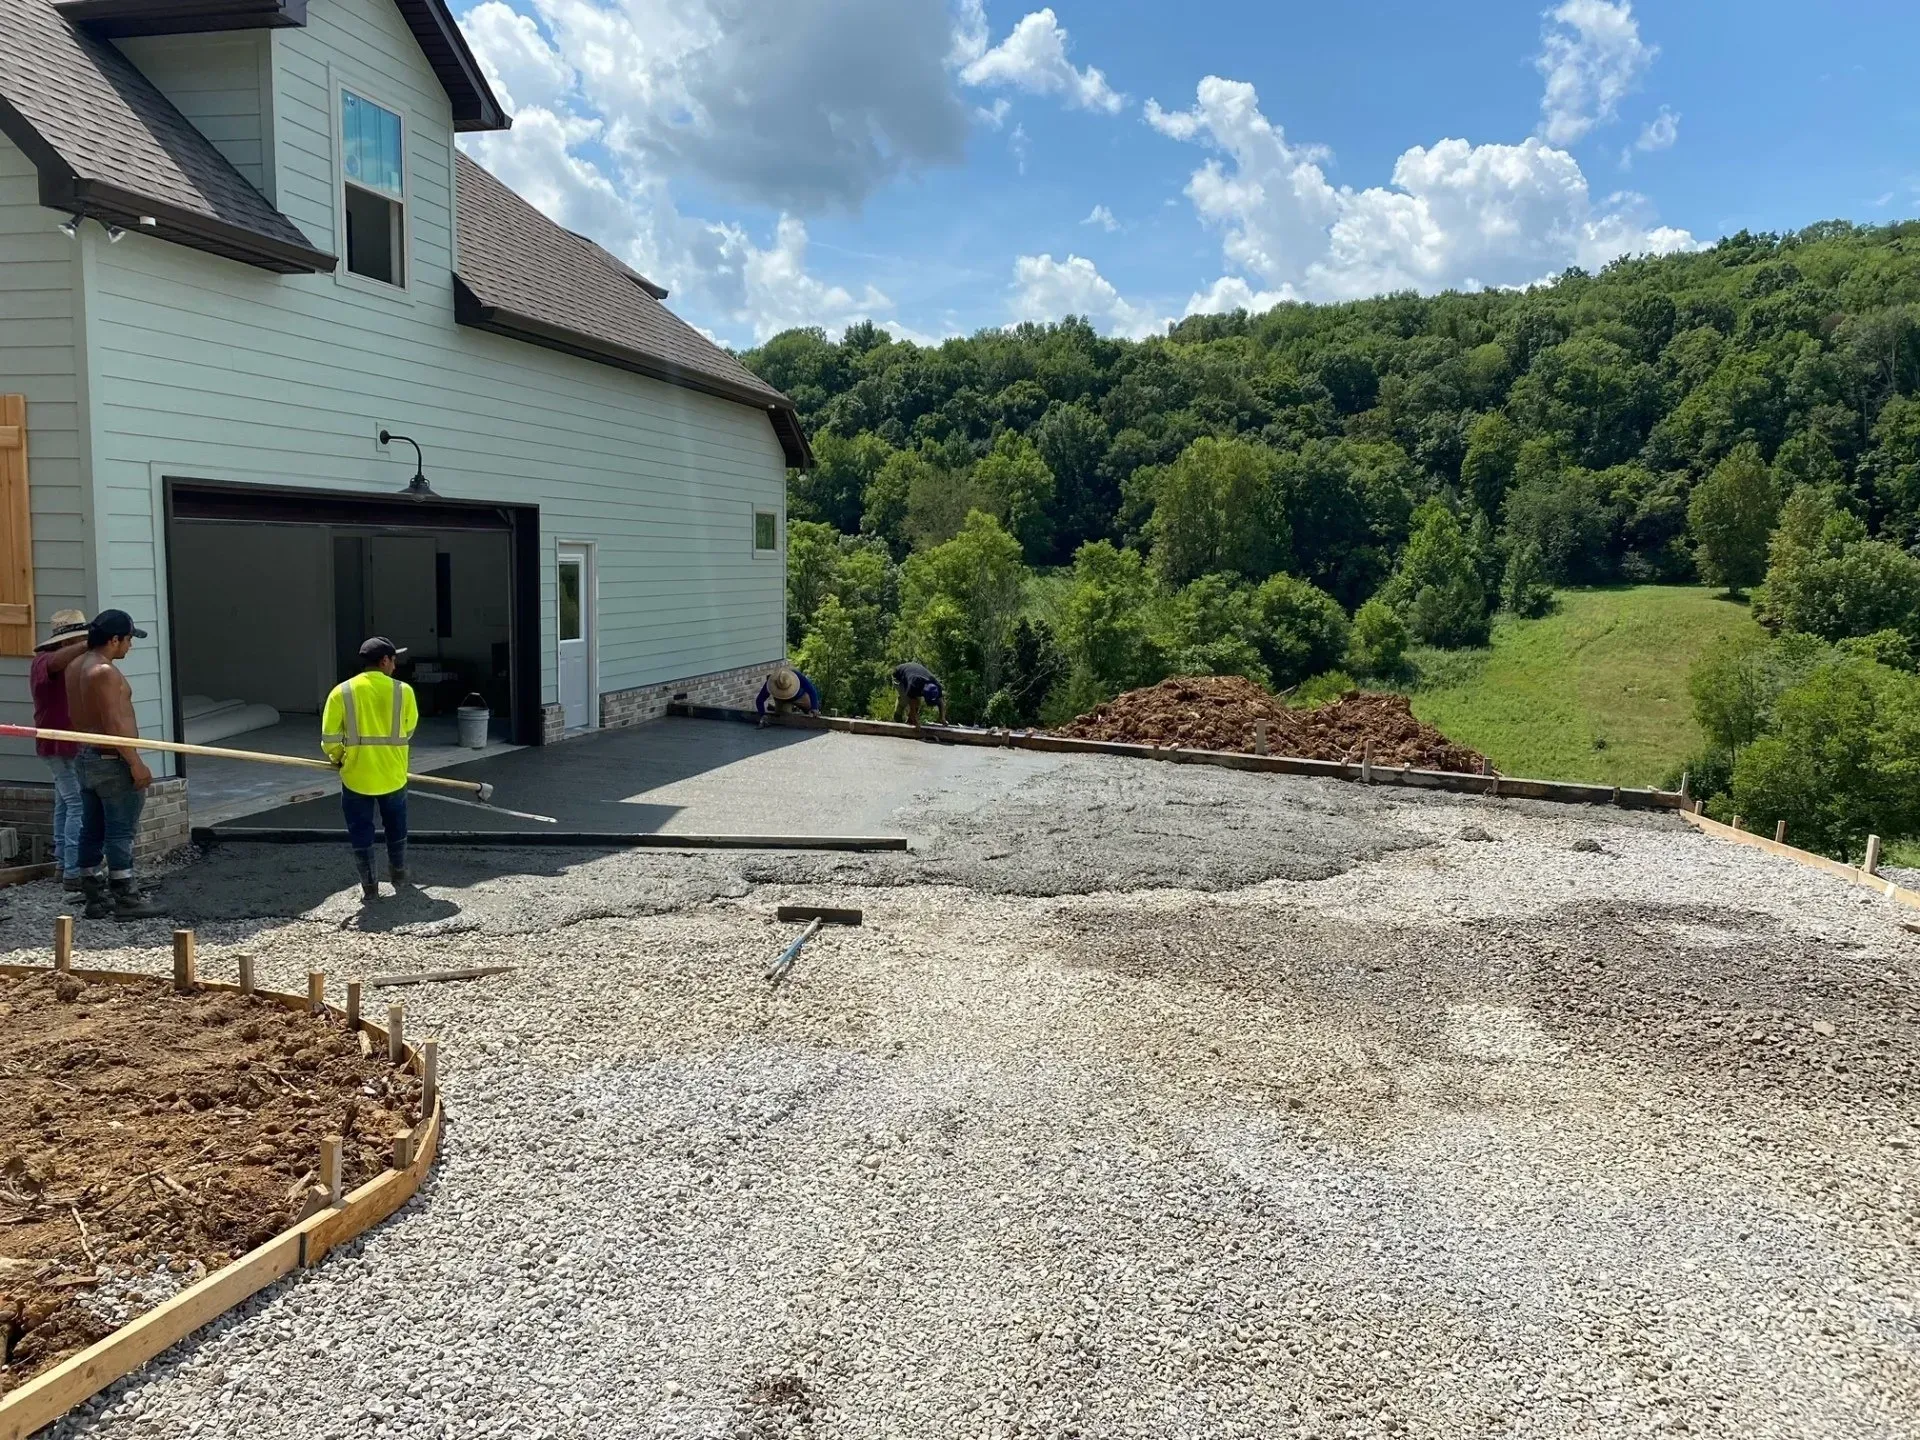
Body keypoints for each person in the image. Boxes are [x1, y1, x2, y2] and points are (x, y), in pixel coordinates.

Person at [66, 609, 162, 920]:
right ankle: (126, 898)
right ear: (114, 639)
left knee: (91, 829)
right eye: (129, 639)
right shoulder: (103, 672)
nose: (130, 646)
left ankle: (95, 896)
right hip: (111, 759)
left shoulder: (75, 666)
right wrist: (135, 762)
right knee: (120, 831)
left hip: (85, 756)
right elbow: (113, 723)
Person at [322, 636, 418, 902]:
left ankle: (370, 887)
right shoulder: (403, 691)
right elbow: (408, 730)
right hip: (393, 774)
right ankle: (399, 873)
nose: (395, 666)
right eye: (394, 660)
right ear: (385, 661)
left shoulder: (341, 692)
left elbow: (329, 739)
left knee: (360, 831)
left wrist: (340, 758)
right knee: (396, 827)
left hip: (356, 775)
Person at [31, 610, 92, 895]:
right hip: (57, 744)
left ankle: (61, 864)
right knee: (77, 804)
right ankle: (73, 871)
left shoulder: (67, 662)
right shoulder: (45, 662)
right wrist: (89, 642)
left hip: (65, 743)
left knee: (64, 803)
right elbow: (55, 662)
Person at [755, 666, 820, 725]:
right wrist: (762, 715)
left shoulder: (797, 675)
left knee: (812, 712)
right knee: (782, 718)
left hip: (800, 697)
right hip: (782, 700)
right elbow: (759, 700)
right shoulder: (771, 683)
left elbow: (811, 690)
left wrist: (814, 708)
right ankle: (787, 709)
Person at [891, 661, 948, 727]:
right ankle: (898, 717)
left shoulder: (937, 686)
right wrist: (916, 722)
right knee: (906, 699)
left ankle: (910, 720)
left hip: (915, 674)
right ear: (923, 693)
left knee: (917, 701)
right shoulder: (913, 684)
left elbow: (941, 702)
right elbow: (912, 704)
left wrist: (943, 718)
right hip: (898, 675)